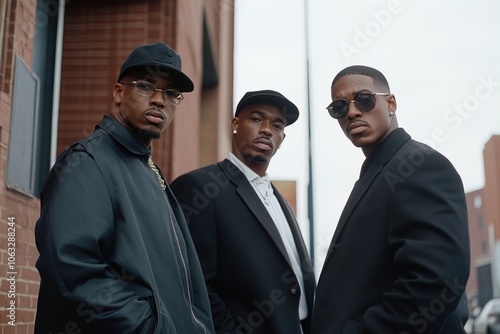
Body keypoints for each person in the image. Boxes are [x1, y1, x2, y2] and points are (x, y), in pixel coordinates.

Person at [34, 42, 215, 334]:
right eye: (146, 86)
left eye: (171, 93)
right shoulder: (88, 161)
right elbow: (72, 268)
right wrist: (153, 328)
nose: (159, 100)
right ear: (119, 93)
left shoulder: (147, 169)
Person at [312, 65, 470, 334]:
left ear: (391, 103)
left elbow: (436, 281)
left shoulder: (420, 165)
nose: (351, 112)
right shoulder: (379, 172)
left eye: (364, 99)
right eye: (339, 107)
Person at [170, 90, 316, 334]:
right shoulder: (199, 187)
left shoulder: (280, 201)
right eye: (257, 119)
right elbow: (193, 283)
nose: (268, 129)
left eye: (277, 125)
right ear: (236, 124)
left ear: (282, 138)